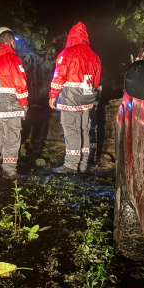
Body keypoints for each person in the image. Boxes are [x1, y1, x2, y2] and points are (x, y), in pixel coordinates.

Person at [49, 22, 101, 174]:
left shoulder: (67, 53)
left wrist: (53, 95)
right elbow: (96, 80)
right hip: (87, 98)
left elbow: (59, 76)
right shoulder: (94, 55)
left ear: (71, 36)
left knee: (71, 130)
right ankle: (83, 164)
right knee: (84, 130)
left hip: (70, 99)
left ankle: (71, 165)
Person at [0, 28, 29, 179]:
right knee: (12, 134)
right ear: (12, 43)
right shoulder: (13, 58)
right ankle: (9, 171)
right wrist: (24, 102)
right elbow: (20, 82)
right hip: (12, 103)